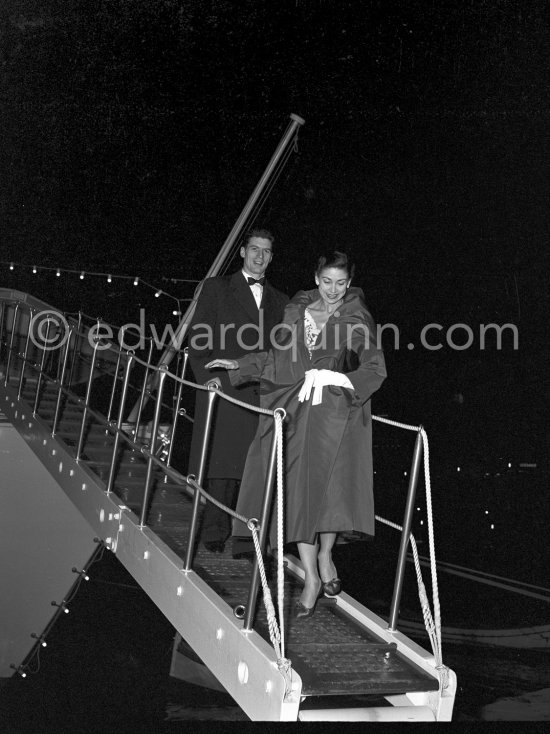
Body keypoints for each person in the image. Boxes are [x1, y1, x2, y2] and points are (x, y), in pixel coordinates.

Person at [206, 251, 386, 618]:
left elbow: (375, 367)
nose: (333, 290)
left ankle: (324, 555)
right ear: (316, 278)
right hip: (298, 412)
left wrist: (339, 378)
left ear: (349, 283)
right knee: (298, 493)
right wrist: (240, 365)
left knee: (328, 492)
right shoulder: (296, 311)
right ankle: (311, 578)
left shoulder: (357, 318)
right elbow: (278, 358)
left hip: (334, 415)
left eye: (341, 283)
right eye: (326, 282)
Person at [187, 228, 289, 558]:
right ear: (242, 252)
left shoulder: (281, 301)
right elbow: (198, 338)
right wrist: (207, 378)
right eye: (254, 249)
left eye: (267, 251)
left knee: (254, 467)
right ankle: (214, 530)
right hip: (223, 385)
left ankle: (247, 537)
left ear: (272, 257)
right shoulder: (216, 288)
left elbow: (282, 351)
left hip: (260, 390)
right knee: (221, 463)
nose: (260, 256)